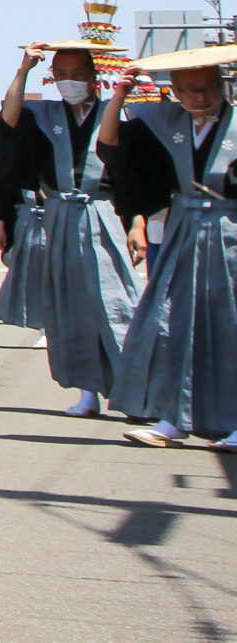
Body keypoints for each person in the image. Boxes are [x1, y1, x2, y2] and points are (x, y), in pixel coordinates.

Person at [0, 41, 138, 417]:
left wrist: (137, 223)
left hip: (104, 211)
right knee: (69, 306)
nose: (70, 82)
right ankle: (87, 391)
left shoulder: (118, 113)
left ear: (94, 77)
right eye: (62, 75)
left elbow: (133, 176)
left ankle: (135, 388)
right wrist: (24, 69)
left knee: (119, 302)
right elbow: (10, 120)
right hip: (59, 215)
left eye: (78, 75)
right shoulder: (43, 114)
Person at [101, 45, 237, 449]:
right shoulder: (163, 122)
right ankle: (173, 417)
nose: (202, 96)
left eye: (211, 87)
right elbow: (111, 146)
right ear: (174, 91)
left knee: (231, 327)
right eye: (192, 89)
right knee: (175, 324)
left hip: (231, 228)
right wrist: (120, 96)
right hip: (183, 230)